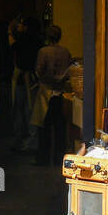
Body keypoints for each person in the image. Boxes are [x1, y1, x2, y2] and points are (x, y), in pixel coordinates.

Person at [31, 25, 74, 165]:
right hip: (61, 93)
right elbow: (69, 71)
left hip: (46, 92)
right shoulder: (65, 52)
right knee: (60, 128)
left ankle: (43, 159)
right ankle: (59, 159)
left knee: (44, 128)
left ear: (47, 36)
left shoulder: (43, 51)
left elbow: (39, 71)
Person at [10, 16, 41, 153]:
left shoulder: (19, 42)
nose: (19, 27)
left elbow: (13, 53)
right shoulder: (38, 42)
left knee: (19, 111)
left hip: (21, 80)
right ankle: (31, 141)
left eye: (21, 24)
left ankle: (20, 141)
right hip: (33, 80)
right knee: (30, 111)